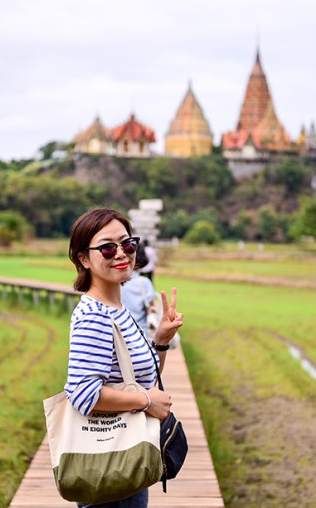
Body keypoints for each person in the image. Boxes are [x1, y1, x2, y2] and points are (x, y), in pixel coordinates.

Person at [66, 207, 183, 508]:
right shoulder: (94, 315)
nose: (120, 253)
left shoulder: (116, 309)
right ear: (83, 258)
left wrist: (161, 342)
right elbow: (83, 394)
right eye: (107, 248)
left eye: (127, 244)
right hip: (108, 469)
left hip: (126, 460)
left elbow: (140, 379)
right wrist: (146, 401)